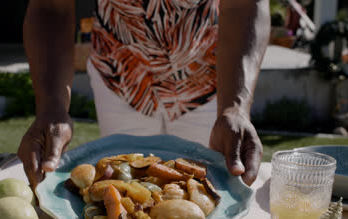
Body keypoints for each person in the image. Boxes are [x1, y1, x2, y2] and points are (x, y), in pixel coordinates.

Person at [18, 0, 270, 191]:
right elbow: (51, 7)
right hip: (120, 80)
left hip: (206, 82)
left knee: (208, 195)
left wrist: (235, 106)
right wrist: (51, 106)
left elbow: (245, 4)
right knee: (124, 190)